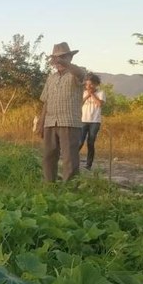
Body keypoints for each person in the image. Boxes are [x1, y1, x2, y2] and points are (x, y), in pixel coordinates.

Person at [39, 42, 87, 181]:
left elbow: (80, 73)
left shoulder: (76, 74)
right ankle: (50, 186)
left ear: (70, 58)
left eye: (63, 57)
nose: (58, 61)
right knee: (48, 156)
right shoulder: (51, 78)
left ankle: (70, 190)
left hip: (69, 122)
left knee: (69, 158)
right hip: (50, 122)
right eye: (56, 58)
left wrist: (65, 64)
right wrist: (41, 122)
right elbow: (46, 101)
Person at [78, 74, 106, 170]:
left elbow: (99, 104)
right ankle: (72, 160)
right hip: (83, 120)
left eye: (91, 85)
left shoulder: (101, 93)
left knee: (90, 142)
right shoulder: (84, 93)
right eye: (87, 85)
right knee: (80, 141)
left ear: (96, 84)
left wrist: (92, 94)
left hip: (95, 121)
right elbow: (79, 104)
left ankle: (88, 164)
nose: (89, 87)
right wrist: (87, 95)